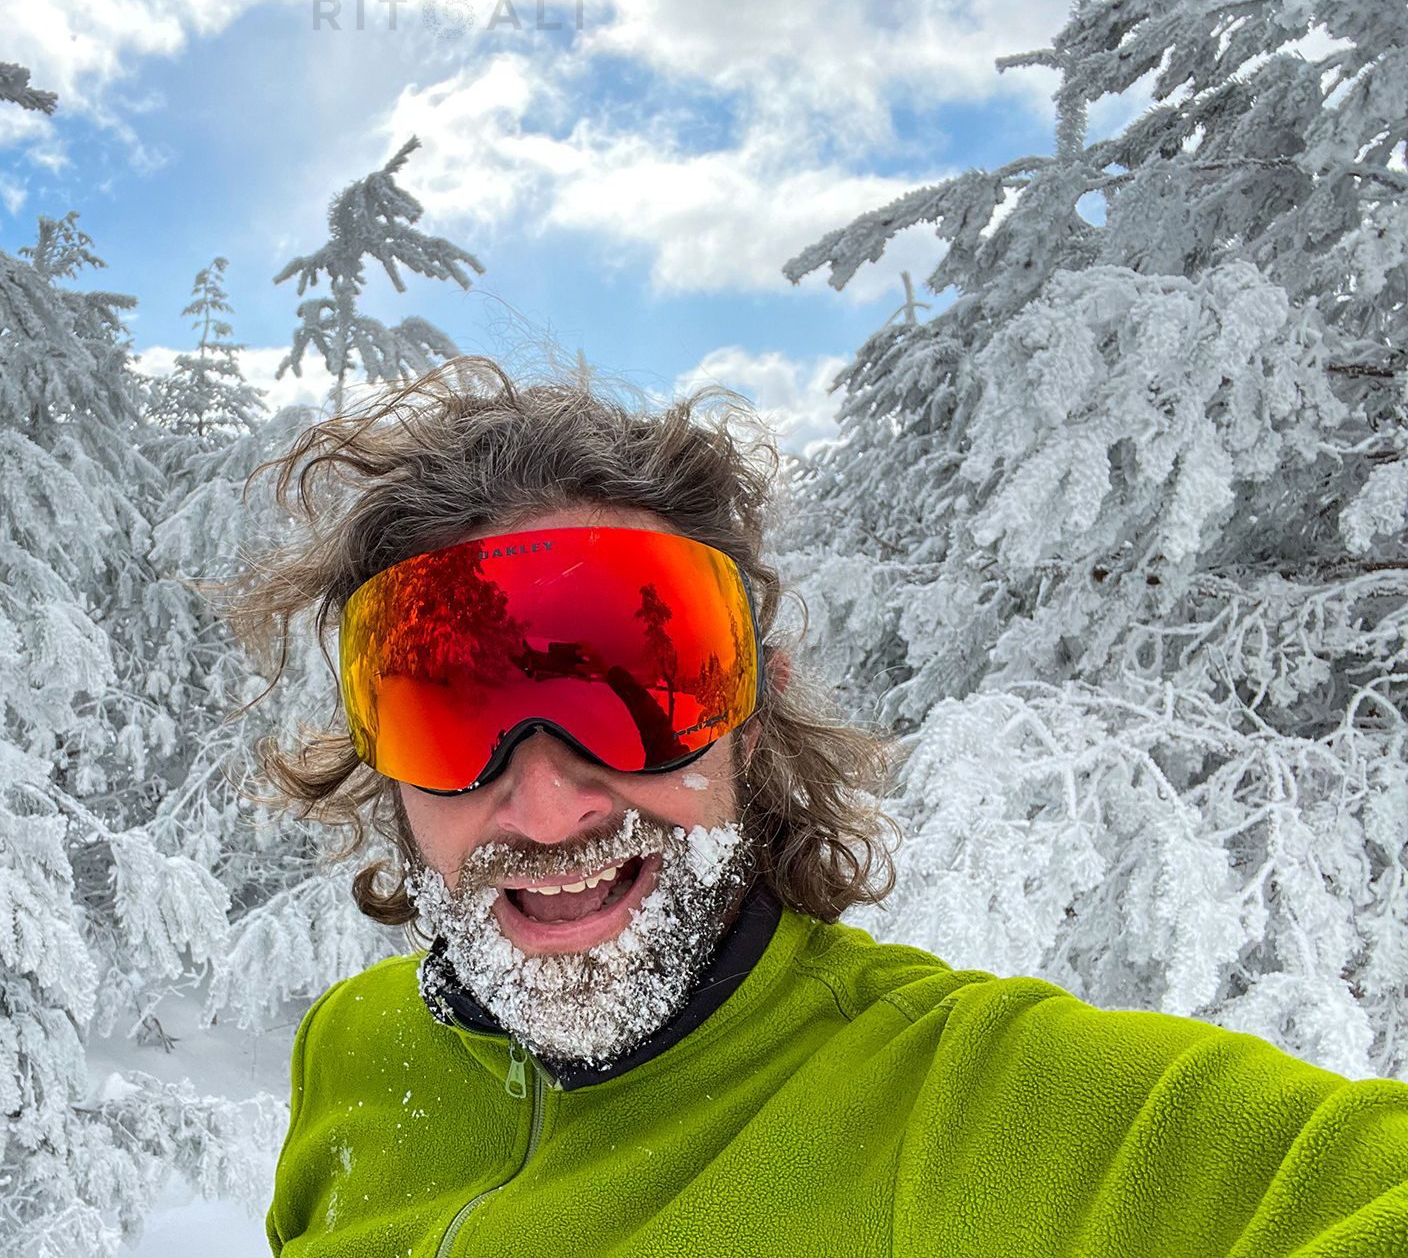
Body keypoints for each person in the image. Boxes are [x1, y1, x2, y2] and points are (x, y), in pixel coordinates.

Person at [230, 357, 1408, 1257]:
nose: (544, 804)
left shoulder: (956, 1109)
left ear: (757, 710)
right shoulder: (354, 1046)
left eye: (639, 691)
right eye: (451, 713)